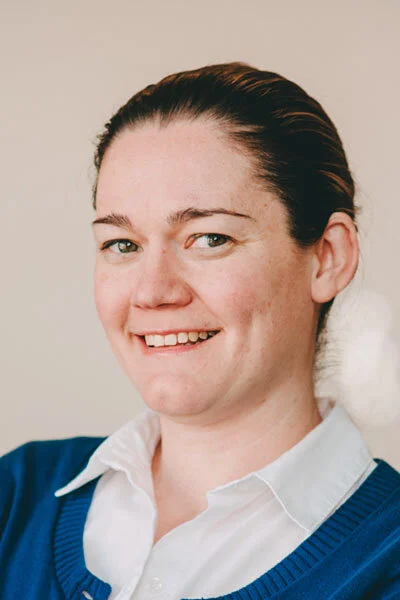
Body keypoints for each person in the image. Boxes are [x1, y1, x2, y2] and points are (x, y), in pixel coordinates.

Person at [0, 62, 399, 600]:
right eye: (122, 245)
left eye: (209, 238)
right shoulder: (15, 498)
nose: (151, 292)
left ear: (327, 257)